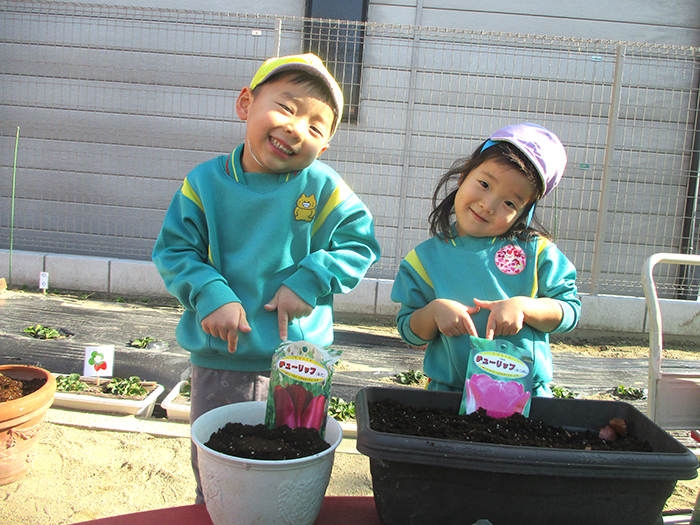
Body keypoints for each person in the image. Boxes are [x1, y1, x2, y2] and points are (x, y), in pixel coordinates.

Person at [152, 53, 381, 503]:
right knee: (221, 475)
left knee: (295, 473)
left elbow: (360, 245)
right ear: (245, 104)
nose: (297, 129)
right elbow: (175, 251)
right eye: (287, 108)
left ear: (326, 146)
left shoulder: (324, 187)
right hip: (223, 363)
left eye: (317, 127)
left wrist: (310, 279)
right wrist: (210, 291)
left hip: (300, 366)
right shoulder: (204, 184)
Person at [391, 123, 580, 396]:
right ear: (464, 174)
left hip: (527, 398)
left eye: (510, 203)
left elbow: (569, 310)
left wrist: (525, 308)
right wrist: (433, 313)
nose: (488, 205)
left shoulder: (538, 252)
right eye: (484, 184)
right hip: (448, 396)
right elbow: (409, 330)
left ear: (524, 213)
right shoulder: (423, 259)